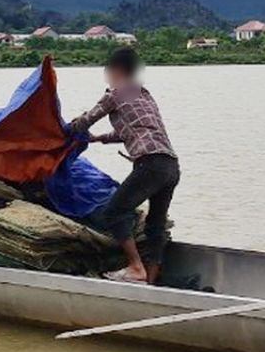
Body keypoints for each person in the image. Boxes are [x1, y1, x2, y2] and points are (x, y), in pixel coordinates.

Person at [67, 47, 180, 284]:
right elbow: (133, 130)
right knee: (155, 225)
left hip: (150, 164)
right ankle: (150, 278)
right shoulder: (144, 95)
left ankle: (135, 267)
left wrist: (69, 129)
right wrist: (100, 138)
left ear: (116, 70)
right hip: (170, 166)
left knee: (114, 212)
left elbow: (88, 118)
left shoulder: (115, 93)